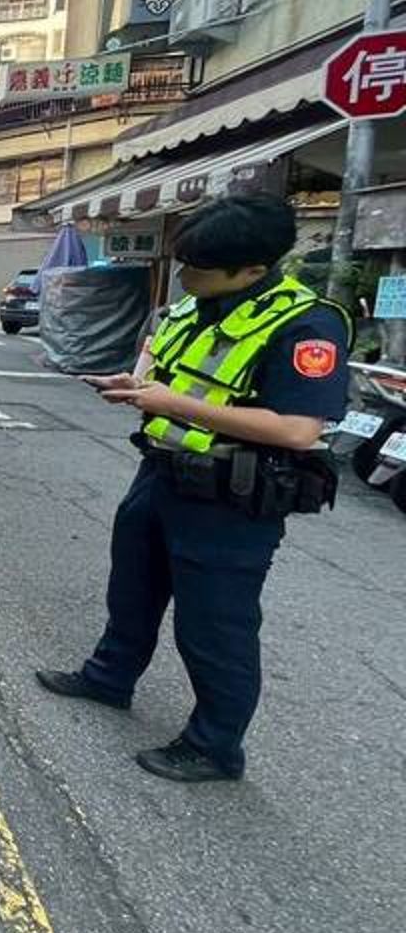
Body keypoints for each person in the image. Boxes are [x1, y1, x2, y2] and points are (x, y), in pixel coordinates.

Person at [36, 192, 350, 783]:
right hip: (160, 474)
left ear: (253, 269)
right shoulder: (191, 307)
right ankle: (109, 678)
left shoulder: (307, 325)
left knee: (215, 626)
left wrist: (170, 402)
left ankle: (215, 747)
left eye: (199, 268)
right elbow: (177, 379)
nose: (186, 276)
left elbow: (298, 427)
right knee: (132, 590)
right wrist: (134, 386)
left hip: (231, 497)